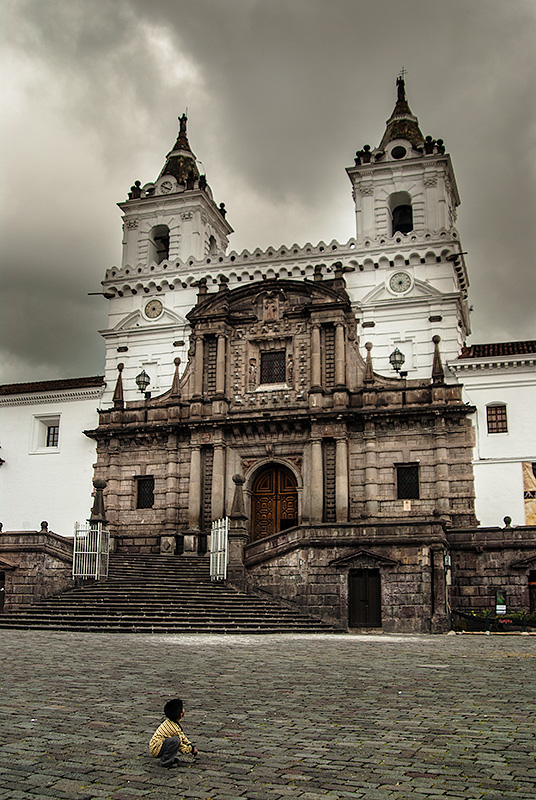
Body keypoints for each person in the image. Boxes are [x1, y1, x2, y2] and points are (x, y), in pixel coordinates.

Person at [149, 698, 198, 768]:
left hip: (158, 745)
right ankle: (166, 761)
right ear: (181, 714)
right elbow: (181, 745)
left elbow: (182, 736)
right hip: (156, 748)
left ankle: (169, 758)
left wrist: (190, 744)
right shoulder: (173, 728)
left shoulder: (171, 722)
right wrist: (191, 750)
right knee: (175, 741)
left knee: (174, 741)